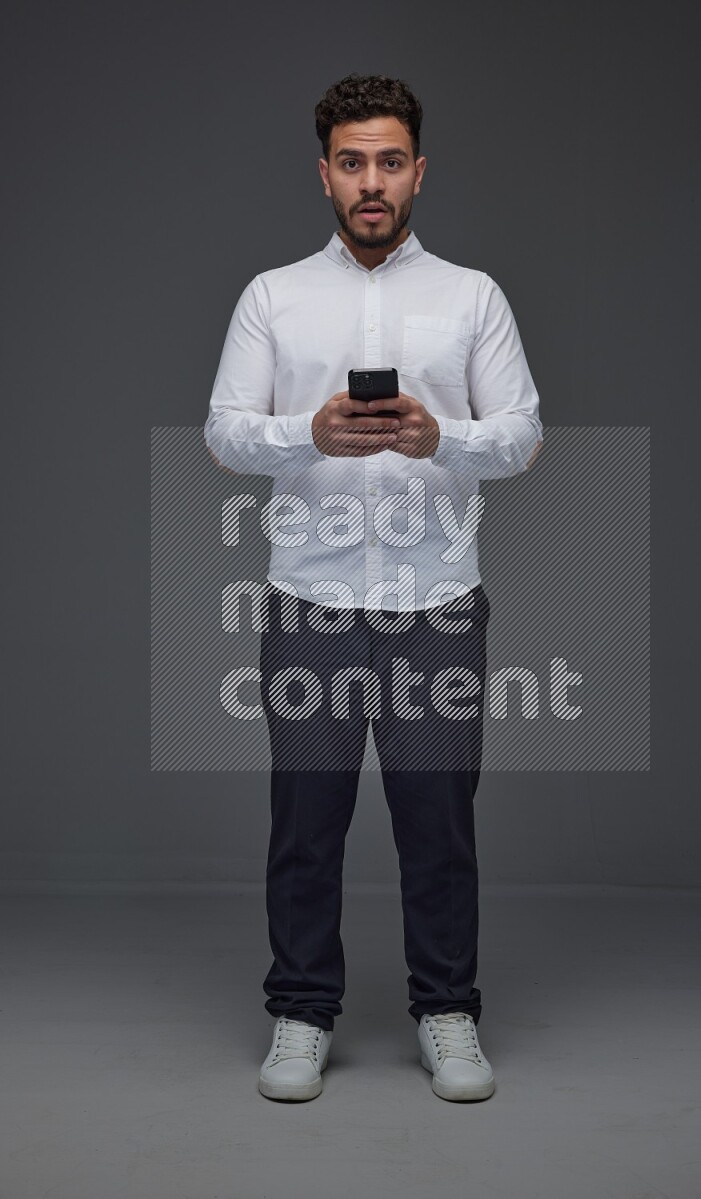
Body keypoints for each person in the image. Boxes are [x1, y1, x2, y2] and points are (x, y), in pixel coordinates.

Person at [204, 73, 543, 1103]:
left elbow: (522, 434)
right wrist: (305, 432)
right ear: (324, 175)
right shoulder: (273, 296)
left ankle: (446, 1010)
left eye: (389, 161)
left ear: (418, 172)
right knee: (306, 820)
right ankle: (302, 1012)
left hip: (435, 603)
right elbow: (225, 431)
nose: (371, 182)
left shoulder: (471, 296)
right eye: (351, 162)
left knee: (436, 820)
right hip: (309, 602)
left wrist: (445, 437)